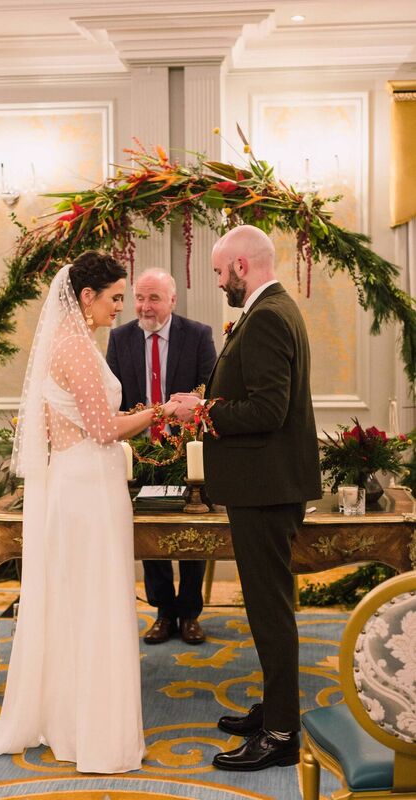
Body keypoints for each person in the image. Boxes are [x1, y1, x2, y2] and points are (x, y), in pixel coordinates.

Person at [0, 251, 178, 773]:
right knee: (94, 603)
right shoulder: (73, 349)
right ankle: (91, 733)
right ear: (87, 296)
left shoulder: (76, 345)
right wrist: (162, 410)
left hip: (86, 482)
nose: (122, 307)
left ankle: (76, 719)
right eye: (116, 297)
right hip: (88, 488)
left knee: (85, 601)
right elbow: (103, 429)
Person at [172, 225, 322, 772]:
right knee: (266, 607)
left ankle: (281, 733)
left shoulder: (267, 317)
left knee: (270, 609)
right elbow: (255, 397)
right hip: (265, 484)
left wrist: (200, 414)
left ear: (241, 265)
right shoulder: (273, 311)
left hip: (266, 488)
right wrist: (208, 399)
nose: (218, 282)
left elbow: (267, 411)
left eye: (218, 272)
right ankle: (275, 708)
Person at [106, 268, 216, 645]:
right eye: (139, 297)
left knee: (193, 532)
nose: (144, 306)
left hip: (189, 451)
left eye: (153, 298)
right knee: (149, 533)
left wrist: (193, 409)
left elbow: (211, 389)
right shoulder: (120, 339)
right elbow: (114, 399)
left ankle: (189, 612)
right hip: (140, 451)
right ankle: (163, 611)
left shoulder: (198, 335)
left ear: (172, 300)